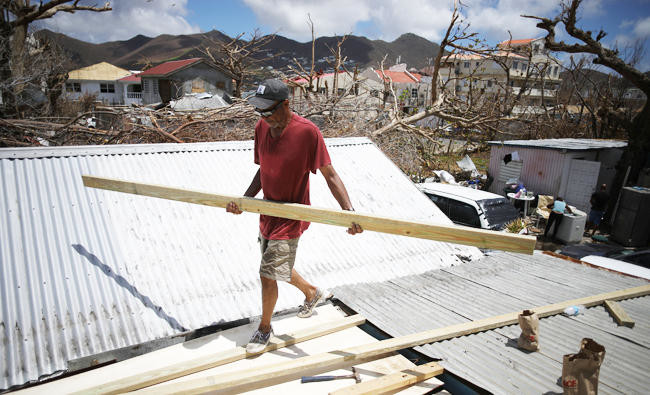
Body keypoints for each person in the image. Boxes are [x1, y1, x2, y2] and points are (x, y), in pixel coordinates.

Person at [226, 79, 363, 354]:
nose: (263, 117)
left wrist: (349, 212)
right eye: (259, 112)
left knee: (267, 273)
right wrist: (245, 199)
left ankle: (264, 329)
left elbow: (330, 174)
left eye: (267, 111)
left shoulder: (308, 133)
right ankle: (312, 292)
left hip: (292, 215)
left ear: (286, 104)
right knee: (277, 265)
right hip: (268, 212)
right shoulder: (261, 127)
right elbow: (262, 170)